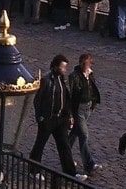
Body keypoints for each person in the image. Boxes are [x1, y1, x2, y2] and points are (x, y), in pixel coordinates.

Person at [29, 54, 86, 182]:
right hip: (48, 118)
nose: (65, 70)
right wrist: (40, 117)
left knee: (64, 145)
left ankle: (71, 172)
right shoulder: (46, 80)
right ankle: (34, 169)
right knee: (40, 144)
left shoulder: (64, 80)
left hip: (61, 119)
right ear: (55, 67)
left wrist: (69, 115)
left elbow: (67, 99)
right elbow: (38, 100)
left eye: (65, 67)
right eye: (62, 67)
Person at [68, 52, 103, 175]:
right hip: (78, 109)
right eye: (84, 64)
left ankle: (65, 153)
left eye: (87, 64)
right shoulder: (74, 76)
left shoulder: (90, 74)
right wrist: (70, 114)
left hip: (87, 108)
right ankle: (89, 164)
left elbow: (92, 90)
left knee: (75, 134)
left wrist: (93, 103)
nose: (86, 66)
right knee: (84, 135)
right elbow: (70, 96)